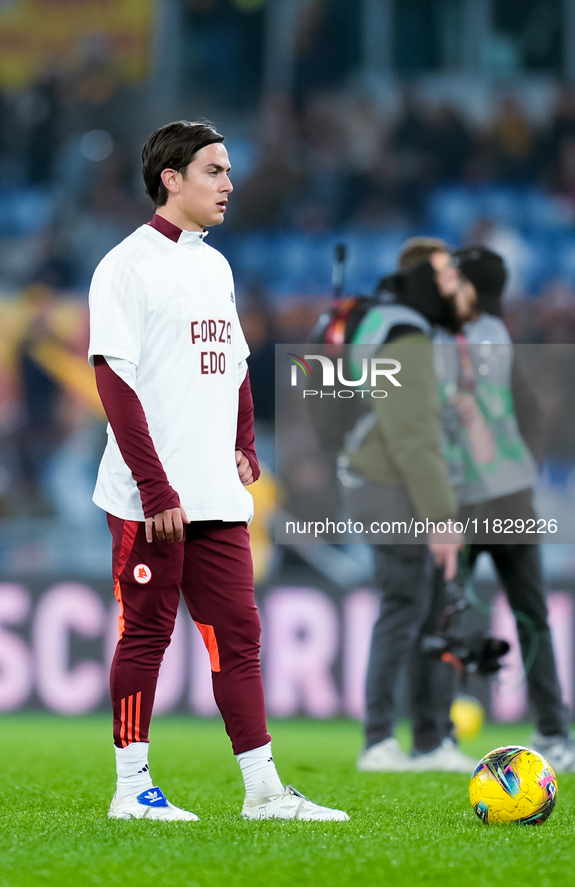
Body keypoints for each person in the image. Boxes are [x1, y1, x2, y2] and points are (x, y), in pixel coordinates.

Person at [88, 120, 349, 821]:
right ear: (171, 179)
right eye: (214, 170)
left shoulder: (215, 265)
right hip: (151, 495)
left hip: (214, 490)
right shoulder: (125, 265)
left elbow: (231, 364)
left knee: (239, 635)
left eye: (229, 170)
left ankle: (263, 789)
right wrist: (153, 487)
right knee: (146, 633)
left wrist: (243, 441)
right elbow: (113, 380)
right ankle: (131, 787)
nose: (230, 184)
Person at [434, 246, 575, 772]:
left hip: (471, 505)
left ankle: (440, 733)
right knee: (530, 616)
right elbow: (532, 412)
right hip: (506, 502)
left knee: (451, 616)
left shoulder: (458, 338)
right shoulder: (496, 336)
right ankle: (554, 731)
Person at [339, 238, 474, 773]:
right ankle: (383, 741)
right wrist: (442, 517)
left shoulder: (392, 328)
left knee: (427, 610)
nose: (453, 289)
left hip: (389, 485)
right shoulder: (410, 338)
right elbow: (413, 438)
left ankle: (429, 739)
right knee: (408, 609)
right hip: (392, 490)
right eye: (444, 279)